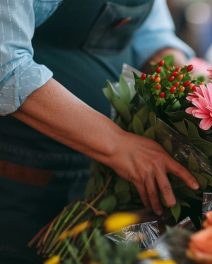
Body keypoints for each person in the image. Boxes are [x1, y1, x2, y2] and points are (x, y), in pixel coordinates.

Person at [0, 0, 199, 263]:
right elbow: (7, 67)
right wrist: (117, 144)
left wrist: (184, 96)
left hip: (105, 173)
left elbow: (151, 33)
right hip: (26, 170)